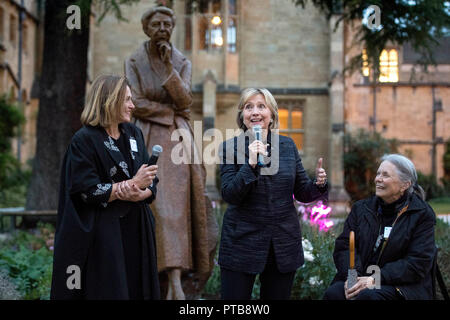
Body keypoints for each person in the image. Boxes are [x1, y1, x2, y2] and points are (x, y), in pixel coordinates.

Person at [124, 6, 218, 300]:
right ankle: (160, 280)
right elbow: (134, 101)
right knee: (155, 207)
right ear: (146, 28)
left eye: (167, 24)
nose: (163, 28)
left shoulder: (181, 61)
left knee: (177, 211)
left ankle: (177, 283)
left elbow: (186, 100)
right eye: (157, 24)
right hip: (145, 136)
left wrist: (168, 70)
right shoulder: (134, 60)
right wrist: (168, 112)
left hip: (178, 141)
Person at [50, 75, 160, 300]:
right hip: (105, 236)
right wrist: (130, 185)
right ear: (110, 100)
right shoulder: (84, 140)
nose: (132, 105)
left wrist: (142, 192)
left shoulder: (133, 134)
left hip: (137, 230)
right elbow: (86, 190)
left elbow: (151, 179)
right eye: (127, 99)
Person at [218, 88, 328, 300]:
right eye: (248, 107)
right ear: (242, 115)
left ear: (272, 114)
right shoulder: (230, 148)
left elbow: (303, 191)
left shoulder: (287, 146)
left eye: (261, 106)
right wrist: (250, 165)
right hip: (242, 242)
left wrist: (319, 184)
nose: (255, 112)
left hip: (282, 244)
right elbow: (230, 194)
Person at [323, 154, 436, 300]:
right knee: (334, 294)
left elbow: (418, 262)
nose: (378, 179)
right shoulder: (361, 209)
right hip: (360, 277)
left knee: (369, 297)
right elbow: (344, 246)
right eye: (378, 174)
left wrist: (375, 279)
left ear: (405, 184)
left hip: (401, 285)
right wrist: (353, 277)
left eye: (385, 175)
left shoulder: (421, 214)